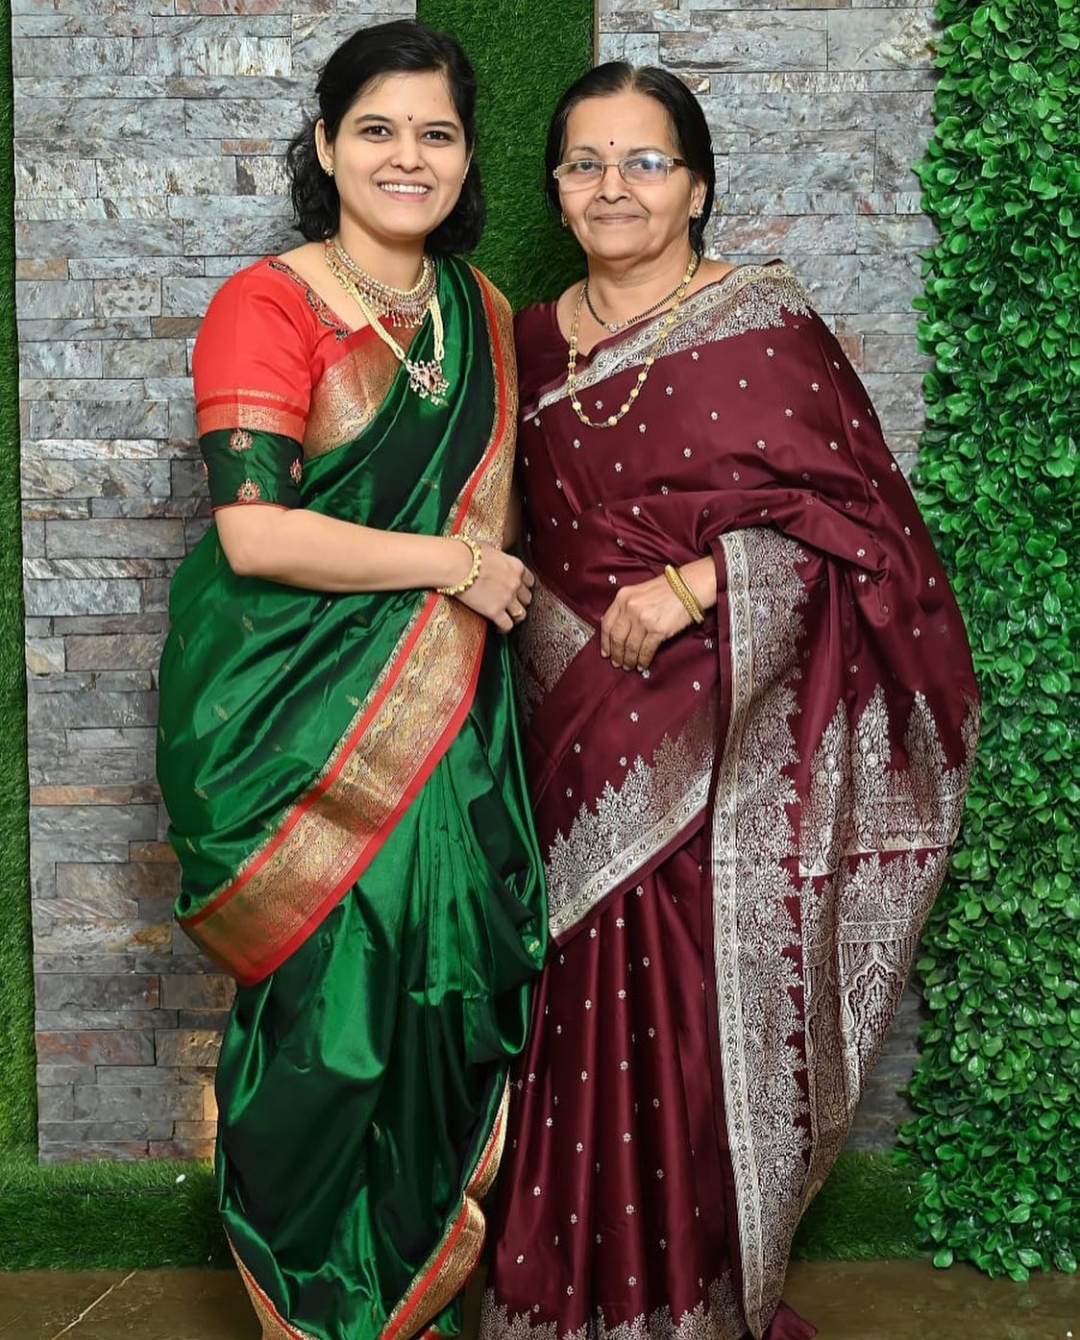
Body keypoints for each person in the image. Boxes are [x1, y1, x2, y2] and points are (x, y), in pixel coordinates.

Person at [480, 63, 980, 1340]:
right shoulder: (523, 342)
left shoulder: (767, 324)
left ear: (697, 186)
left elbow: (874, 539)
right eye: (585, 163)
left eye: (645, 162)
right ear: (556, 188)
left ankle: (685, 1305)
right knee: (568, 1018)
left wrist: (702, 582)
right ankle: (562, 1300)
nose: (613, 187)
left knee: (687, 1028)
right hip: (558, 725)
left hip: (720, 740)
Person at [156, 21, 547, 1340]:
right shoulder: (266, 305)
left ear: (468, 156)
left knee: (442, 1001)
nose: (407, 156)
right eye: (376, 128)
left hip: (450, 728)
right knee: (329, 1029)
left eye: (437, 132)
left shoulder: (483, 312)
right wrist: (453, 562)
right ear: (325, 146)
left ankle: (413, 1306)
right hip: (288, 723)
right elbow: (254, 536)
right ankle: (313, 1310)